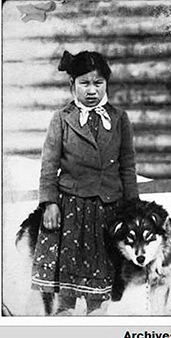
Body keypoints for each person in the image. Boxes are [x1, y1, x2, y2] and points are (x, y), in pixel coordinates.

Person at [32, 50, 139, 315]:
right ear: (72, 85)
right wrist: (49, 204)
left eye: (98, 83)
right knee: (67, 294)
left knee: (99, 295)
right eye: (84, 83)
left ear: (106, 85)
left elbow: (127, 166)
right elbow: (49, 166)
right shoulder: (61, 119)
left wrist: (133, 209)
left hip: (107, 215)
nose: (91, 90)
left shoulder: (118, 119)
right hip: (71, 216)